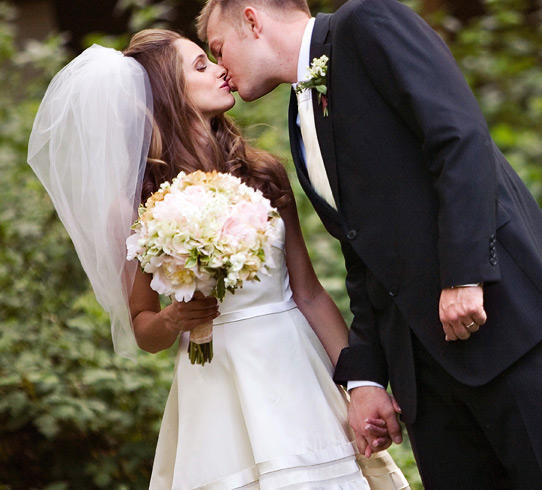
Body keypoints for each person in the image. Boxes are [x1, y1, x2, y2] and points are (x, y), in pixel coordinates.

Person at [199, 0, 542, 490]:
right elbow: (363, 251)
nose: (220, 69)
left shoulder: (367, 22)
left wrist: (464, 276)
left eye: (217, 48)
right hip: (424, 376)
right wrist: (366, 375)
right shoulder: (302, 121)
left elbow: (458, 138)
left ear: (252, 21)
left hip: (501, 323)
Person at [28, 30, 408, 489]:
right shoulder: (142, 200)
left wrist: (361, 383)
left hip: (293, 369)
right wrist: (172, 319)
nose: (221, 69)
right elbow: (143, 326)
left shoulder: (263, 172)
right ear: (167, 92)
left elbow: (308, 293)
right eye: (200, 66)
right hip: (215, 385)